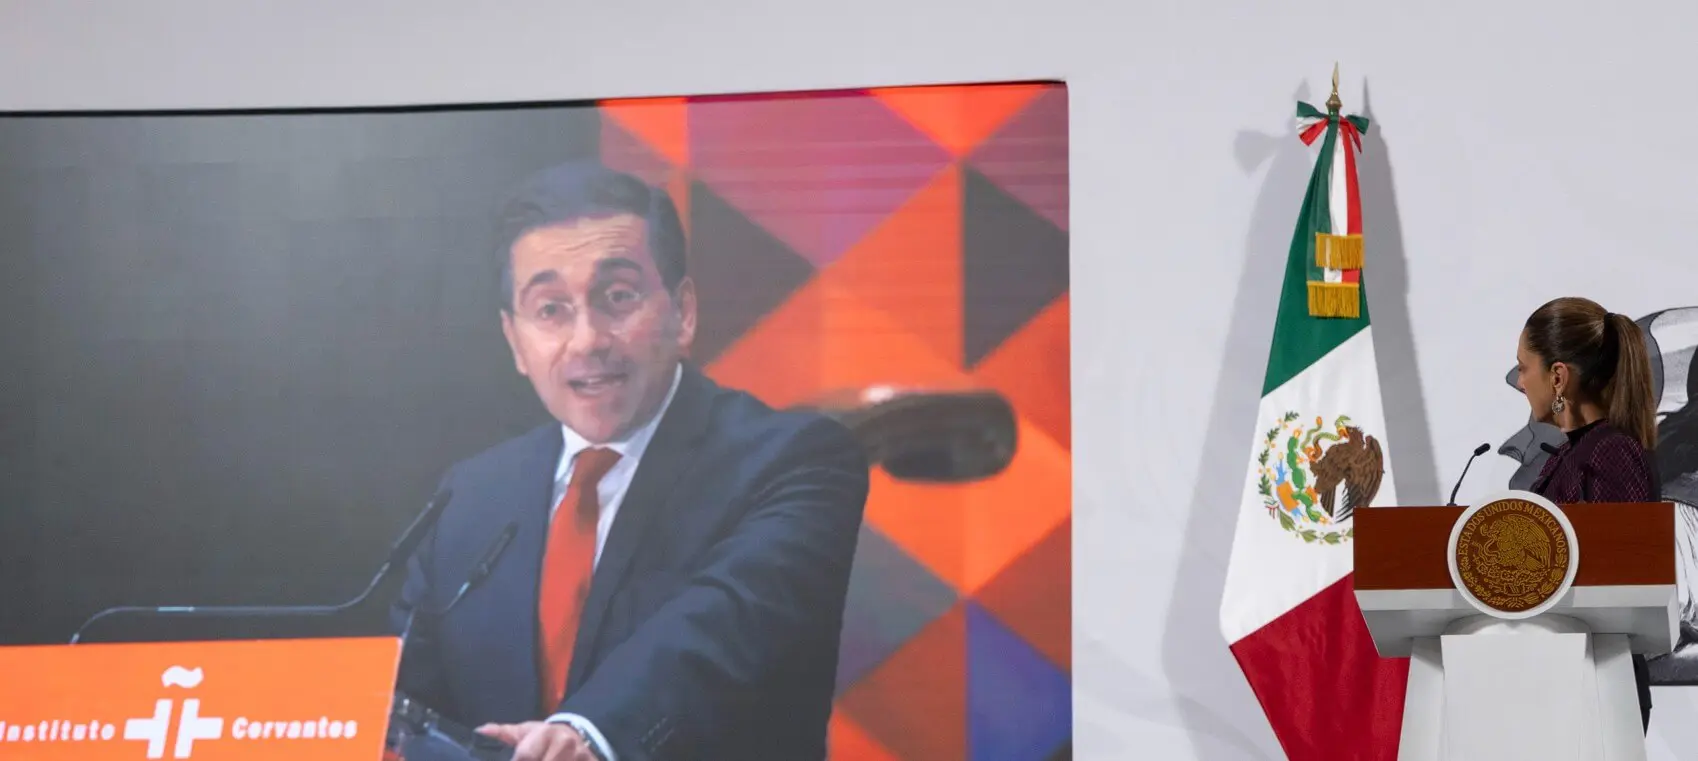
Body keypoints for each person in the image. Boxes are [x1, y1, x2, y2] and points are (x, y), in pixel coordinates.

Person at [391, 160, 870, 761]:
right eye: (550, 309)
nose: (587, 339)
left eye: (617, 297)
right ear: (515, 342)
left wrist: (586, 734)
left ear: (683, 312)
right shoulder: (472, 496)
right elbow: (398, 699)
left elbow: (719, 629)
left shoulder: (792, 462)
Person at [1514, 295, 1659, 732]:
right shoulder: (1572, 453)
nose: (1521, 383)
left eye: (1524, 367)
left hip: (1599, 690)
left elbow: (1623, 579)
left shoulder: (1611, 452)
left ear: (1558, 376)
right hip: (1571, 681)